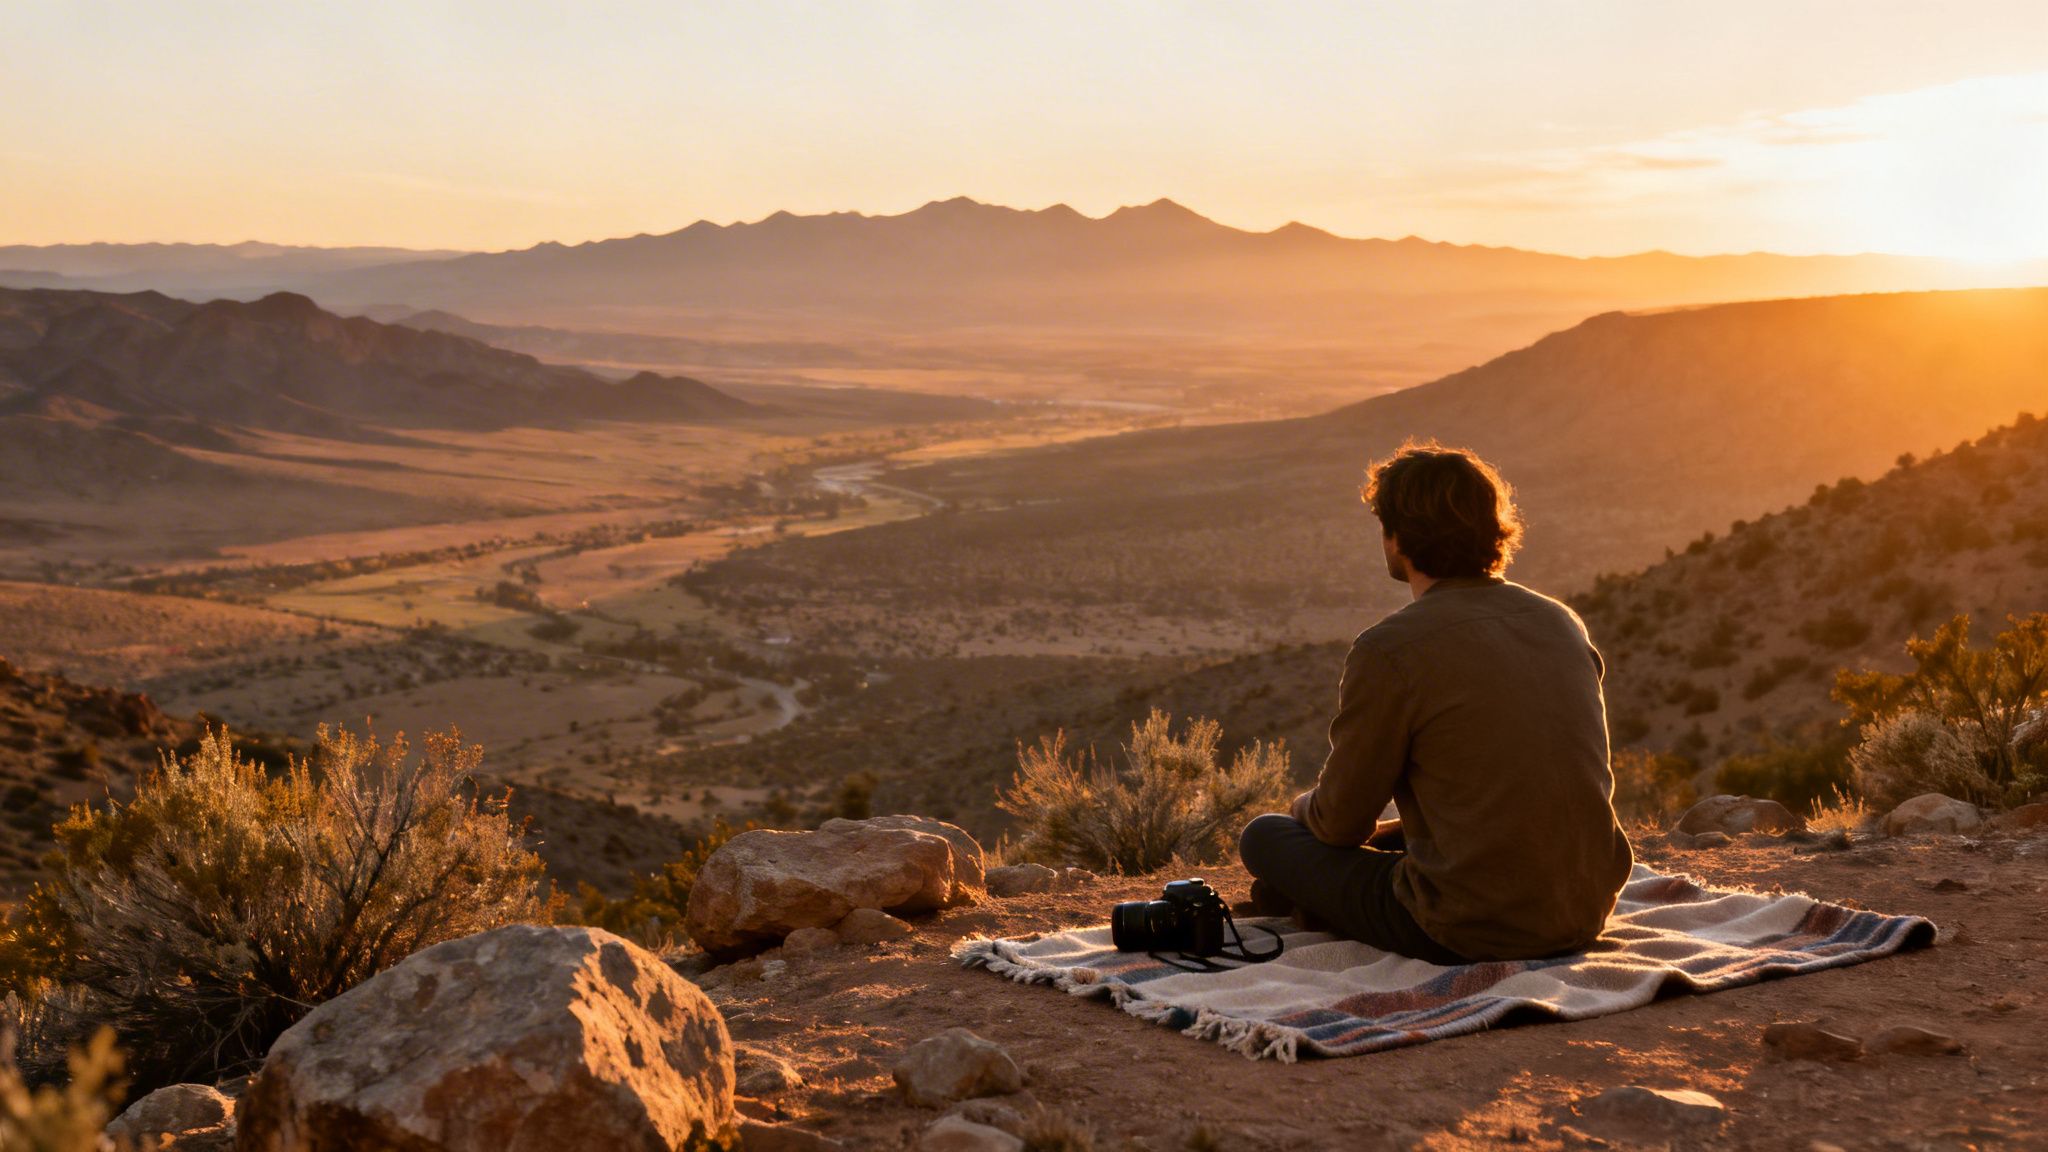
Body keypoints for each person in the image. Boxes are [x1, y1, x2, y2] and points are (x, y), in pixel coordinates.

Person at [1238, 441, 1633, 963]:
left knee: (1266, 837)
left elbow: (1340, 824)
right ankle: (1315, 901)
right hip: (1584, 908)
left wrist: (1300, 811)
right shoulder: (1559, 620)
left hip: (1465, 926)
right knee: (1404, 838)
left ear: (1398, 537)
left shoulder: (1390, 648)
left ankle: (1313, 903)